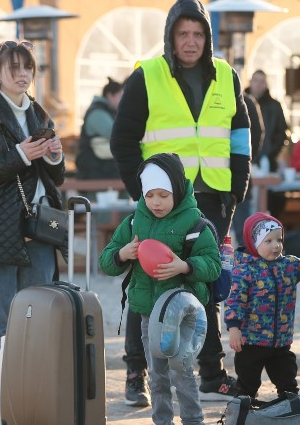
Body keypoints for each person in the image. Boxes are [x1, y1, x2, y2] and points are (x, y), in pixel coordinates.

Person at [110, 0, 251, 404]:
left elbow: (240, 137)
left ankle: (210, 373)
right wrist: (144, 195)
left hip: (213, 198)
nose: (191, 41)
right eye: (183, 33)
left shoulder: (227, 75)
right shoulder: (146, 76)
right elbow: (122, 141)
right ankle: (137, 372)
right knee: (147, 279)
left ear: (208, 38)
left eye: (198, 34)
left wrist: (237, 186)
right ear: (170, 36)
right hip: (162, 203)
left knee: (204, 279)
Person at [0, 40, 66, 425]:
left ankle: (30, 393)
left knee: (37, 316)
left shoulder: (39, 113)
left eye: (28, 68)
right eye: (14, 67)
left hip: (40, 228)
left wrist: (54, 155)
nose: (22, 74)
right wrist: (20, 155)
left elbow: (55, 177)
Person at [99, 152, 221, 425]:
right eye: (150, 194)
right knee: (157, 373)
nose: (156, 202)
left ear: (177, 190)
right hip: (148, 314)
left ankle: (193, 419)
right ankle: (161, 420)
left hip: (183, 314)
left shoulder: (194, 223)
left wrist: (185, 266)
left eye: (163, 195)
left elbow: (213, 265)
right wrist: (122, 254)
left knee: (183, 371)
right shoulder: (134, 222)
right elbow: (106, 261)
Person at [224, 212, 300, 398]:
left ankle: (289, 407)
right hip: (251, 342)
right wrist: (234, 328)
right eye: (268, 241)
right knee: (247, 385)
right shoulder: (244, 270)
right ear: (253, 243)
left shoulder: (288, 266)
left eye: (279, 240)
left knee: (287, 381)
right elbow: (235, 300)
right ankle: (243, 412)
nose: (276, 246)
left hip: (280, 343)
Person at [245, 69, 288, 217]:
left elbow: (282, 132)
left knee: (267, 200)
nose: (258, 84)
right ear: (250, 82)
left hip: (267, 159)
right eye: (255, 80)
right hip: (245, 157)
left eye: (262, 81)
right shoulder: (240, 102)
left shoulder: (274, 106)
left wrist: (271, 153)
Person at [75, 77, 124, 180]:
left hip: (102, 170)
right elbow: (115, 133)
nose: (123, 100)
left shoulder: (106, 111)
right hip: (95, 172)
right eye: (120, 96)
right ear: (110, 95)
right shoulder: (97, 113)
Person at [232, 92, 264, 246]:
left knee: (242, 230)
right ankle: (247, 265)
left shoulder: (246, 102)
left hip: (235, 174)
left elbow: (257, 134)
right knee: (243, 230)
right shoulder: (247, 101)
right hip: (239, 172)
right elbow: (257, 134)